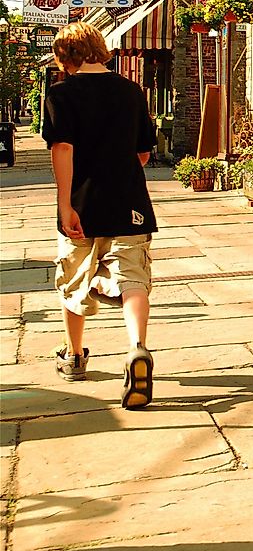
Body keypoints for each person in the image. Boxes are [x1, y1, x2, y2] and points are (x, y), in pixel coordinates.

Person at [42, 21, 158, 409]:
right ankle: (137, 347)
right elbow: (143, 154)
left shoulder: (61, 93)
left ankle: (74, 356)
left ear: (65, 56)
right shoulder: (131, 91)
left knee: (74, 278)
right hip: (129, 200)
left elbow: (62, 149)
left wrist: (65, 205)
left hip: (82, 203)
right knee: (133, 278)